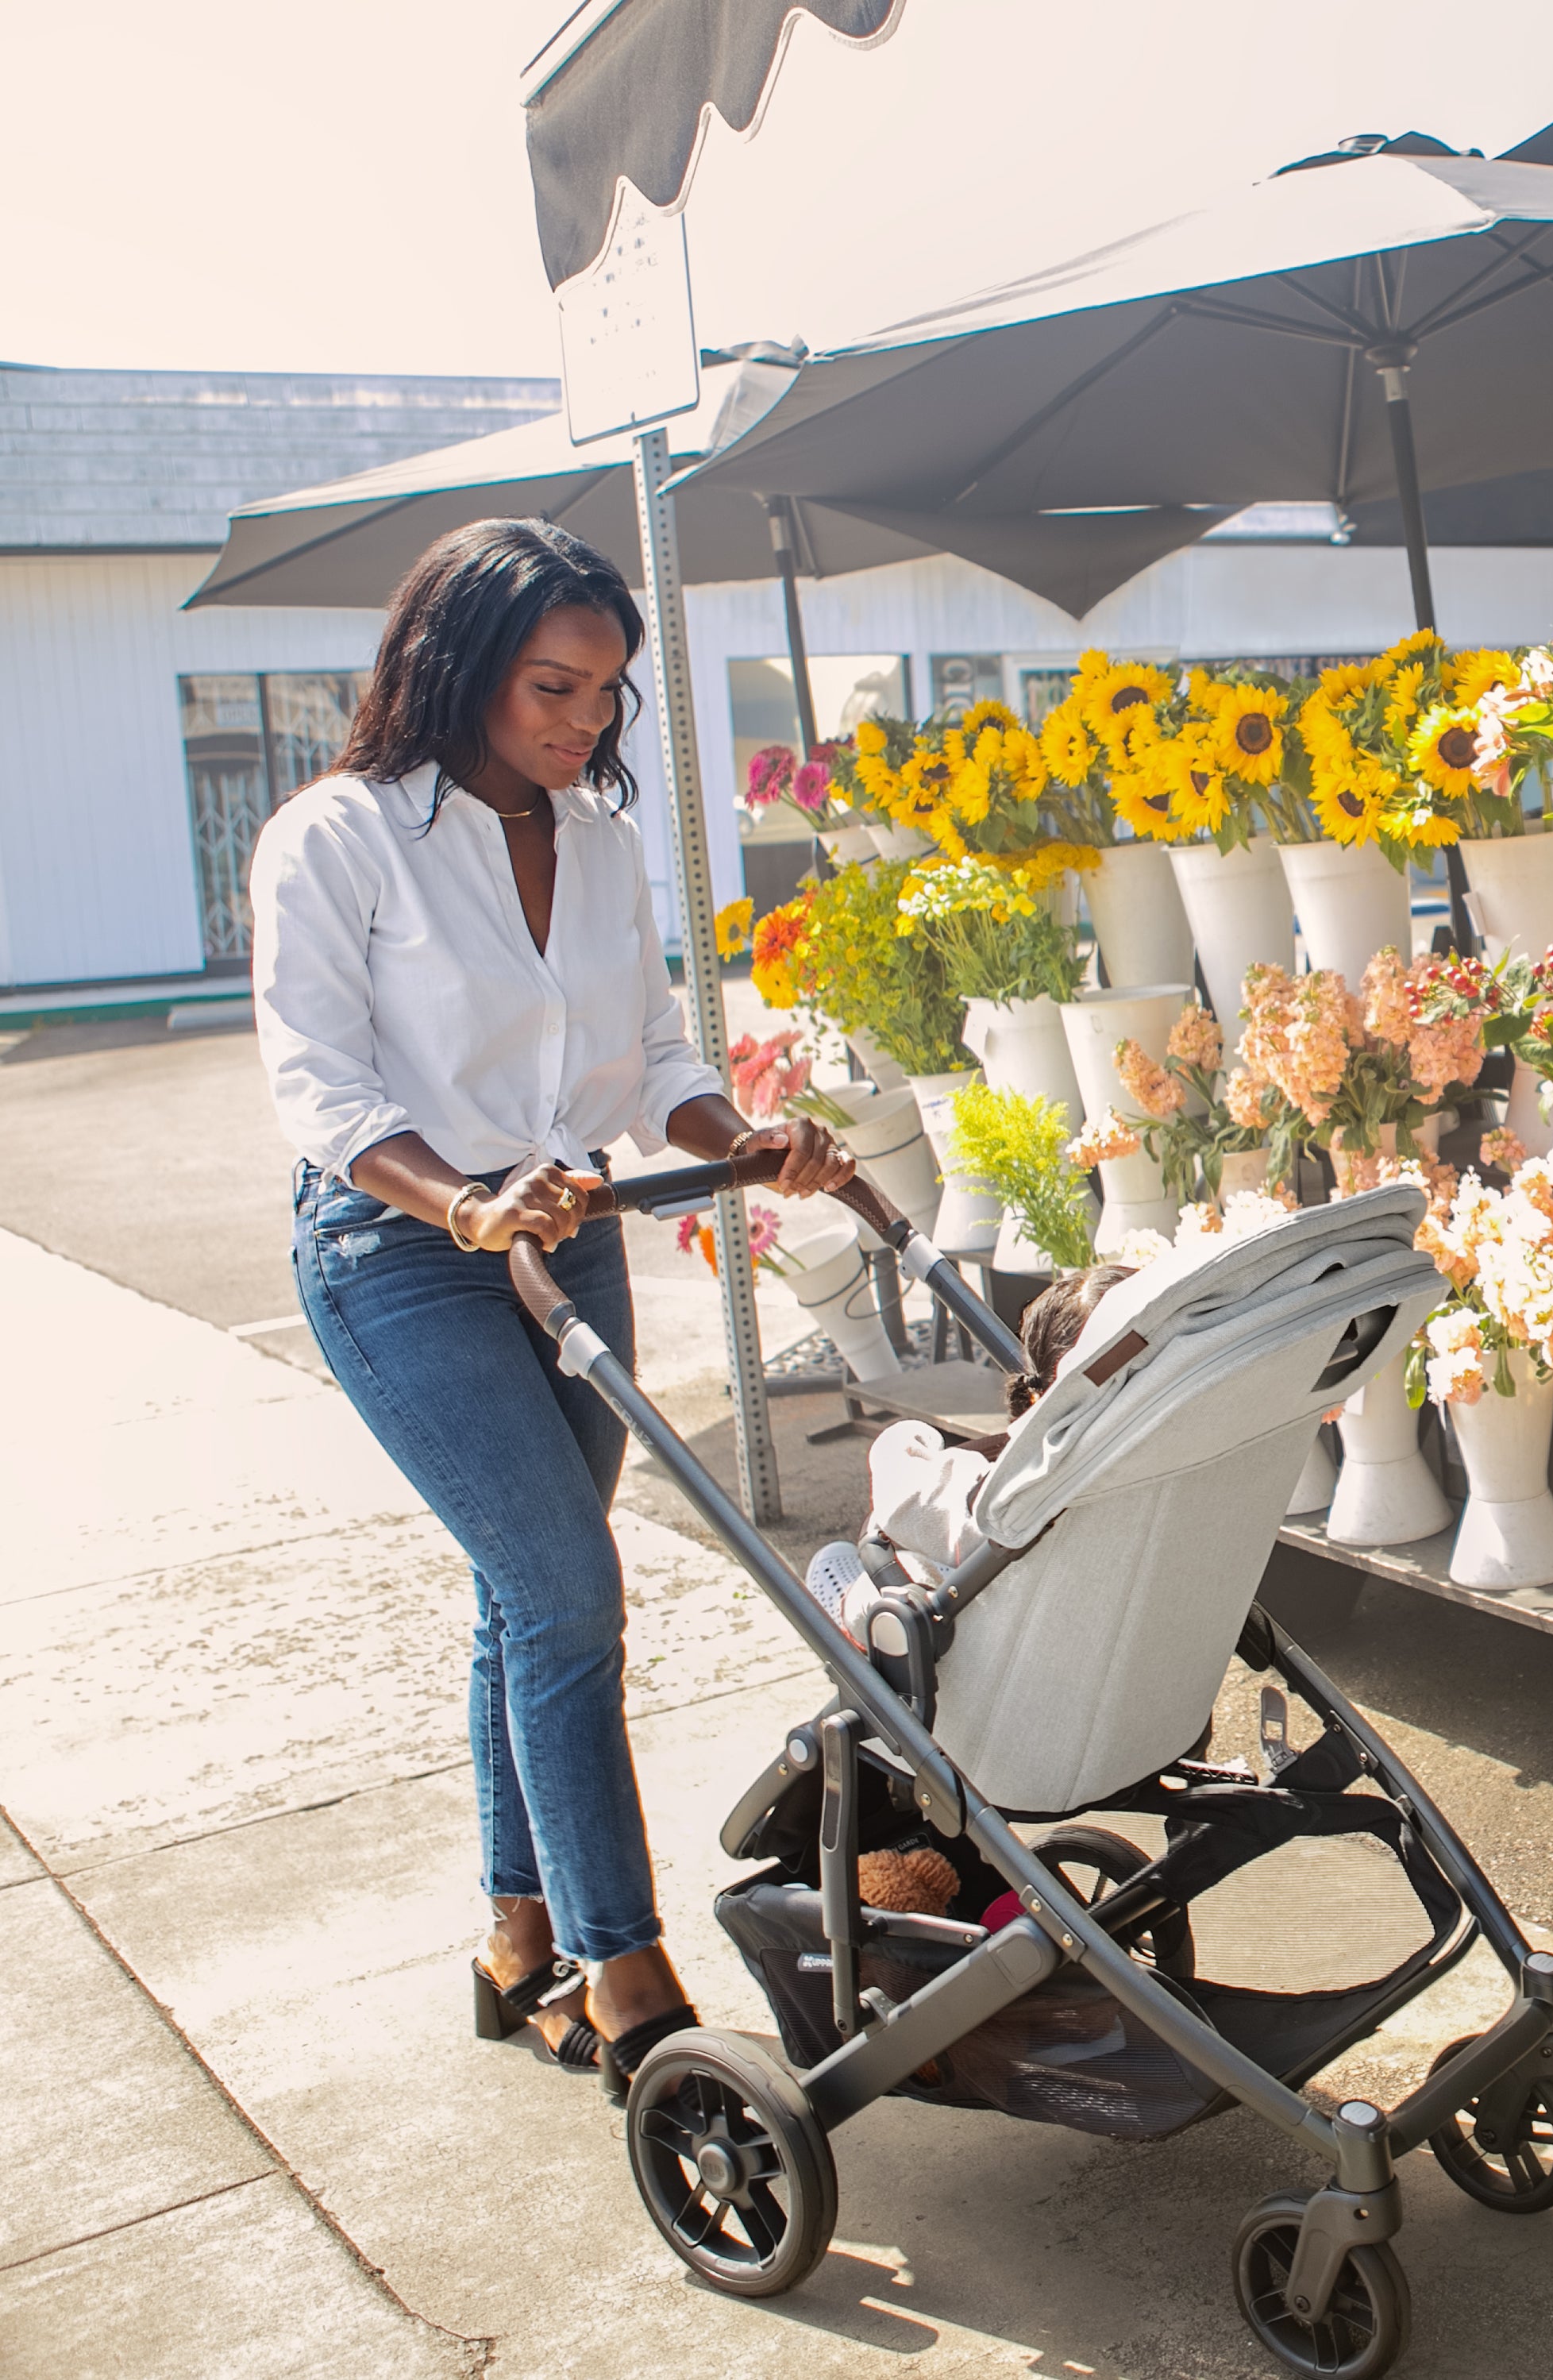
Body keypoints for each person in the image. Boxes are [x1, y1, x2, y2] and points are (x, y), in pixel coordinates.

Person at [250, 519, 857, 2099]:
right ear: (457, 665)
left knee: (527, 1599)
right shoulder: (337, 838)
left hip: (567, 1239)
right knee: (570, 1589)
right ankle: (623, 1966)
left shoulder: (595, 839)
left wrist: (746, 1138)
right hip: (400, 1252)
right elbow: (323, 1088)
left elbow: (653, 1057)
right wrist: (464, 1203)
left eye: (603, 693)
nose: (584, 722)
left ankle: (517, 1941)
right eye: (551, 687)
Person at [807, 1262, 1134, 1621]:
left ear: (1040, 1392)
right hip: (1141, 1616)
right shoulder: (1172, 1445)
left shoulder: (1018, 1492)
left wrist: (903, 1438)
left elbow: (905, 1505)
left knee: (866, 1574)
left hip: (1022, 1628)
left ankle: (842, 1604)